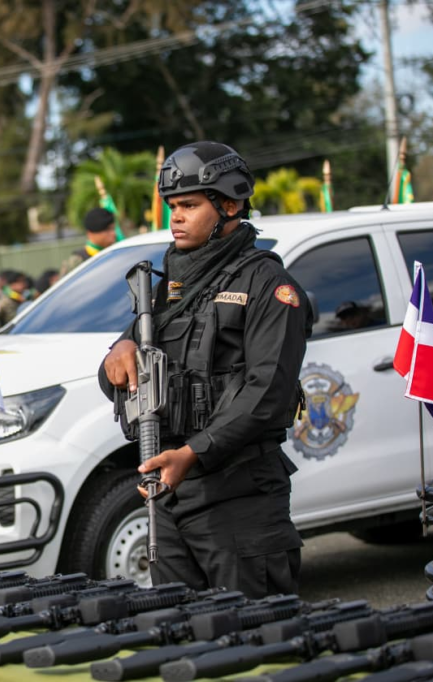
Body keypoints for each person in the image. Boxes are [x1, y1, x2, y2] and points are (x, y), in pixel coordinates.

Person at [98, 141, 313, 599]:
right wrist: (119, 349)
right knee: (180, 626)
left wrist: (194, 453)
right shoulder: (171, 289)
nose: (175, 217)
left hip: (240, 493)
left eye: (190, 205)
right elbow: (124, 369)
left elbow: (268, 392)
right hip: (169, 492)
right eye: (172, 206)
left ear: (230, 205)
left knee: (255, 627)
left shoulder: (269, 285)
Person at [60, 207, 117, 276]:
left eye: (113, 229)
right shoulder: (76, 263)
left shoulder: (117, 255)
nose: (113, 233)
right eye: (107, 230)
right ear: (91, 233)